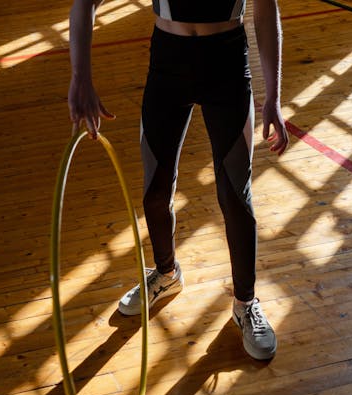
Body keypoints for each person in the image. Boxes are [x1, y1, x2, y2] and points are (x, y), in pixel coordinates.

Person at [68, 0, 289, 360]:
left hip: (227, 65)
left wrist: (274, 97)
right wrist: (81, 77)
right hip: (168, 64)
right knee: (155, 190)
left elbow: (266, 12)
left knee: (235, 194)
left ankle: (245, 303)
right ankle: (166, 273)